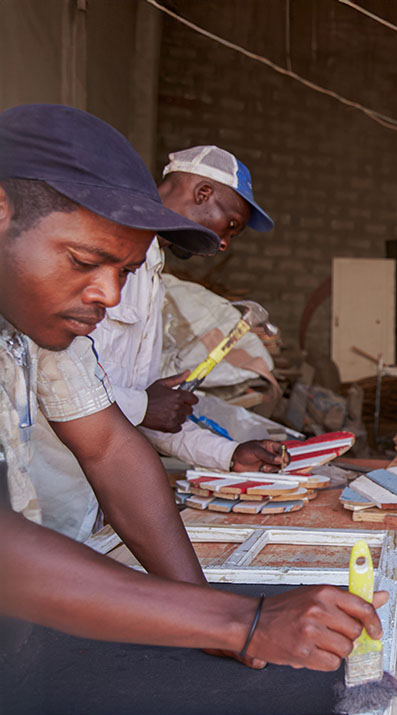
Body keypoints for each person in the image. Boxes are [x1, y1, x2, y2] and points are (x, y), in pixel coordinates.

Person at [0, 103, 385, 670]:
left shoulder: (43, 322)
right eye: (84, 260)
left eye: (125, 273)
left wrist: (209, 615)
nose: (108, 295)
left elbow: (108, 445)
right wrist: (239, 622)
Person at [30, 144, 282, 540]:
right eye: (230, 224)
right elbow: (52, 384)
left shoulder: (151, 278)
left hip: (94, 504)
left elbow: (145, 413)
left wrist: (231, 456)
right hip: (43, 499)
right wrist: (145, 405)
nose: (223, 243)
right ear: (202, 194)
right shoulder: (103, 257)